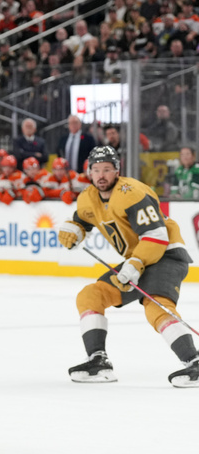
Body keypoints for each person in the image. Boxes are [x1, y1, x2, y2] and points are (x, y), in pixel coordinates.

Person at [57, 146, 198, 387]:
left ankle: (193, 360)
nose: (101, 175)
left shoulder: (130, 192)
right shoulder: (87, 197)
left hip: (165, 254)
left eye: (107, 170)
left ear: (117, 171)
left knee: (155, 306)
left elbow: (156, 235)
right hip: (138, 260)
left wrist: (135, 263)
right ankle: (98, 360)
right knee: (90, 295)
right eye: (96, 170)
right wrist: (75, 231)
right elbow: (83, 219)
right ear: (89, 172)